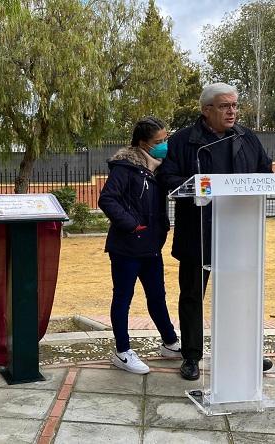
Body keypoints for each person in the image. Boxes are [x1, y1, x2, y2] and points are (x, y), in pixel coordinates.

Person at [159, 82, 274, 380]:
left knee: (239, 295)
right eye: (225, 106)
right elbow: (167, 177)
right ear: (206, 109)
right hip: (198, 232)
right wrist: (198, 184)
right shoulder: (184, 141)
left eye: (235, 105)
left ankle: (243, 351)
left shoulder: (247, 138)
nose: (232, 111)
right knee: (193, 296)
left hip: (238, 233)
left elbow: (265, 172)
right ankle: (192, 357)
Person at [98, 117, 181, 375]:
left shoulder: (157, 169)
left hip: (151, 246)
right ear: (143, 143)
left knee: (157, 296)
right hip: (127, 247)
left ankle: (169, 342)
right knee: (123, 297)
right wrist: (132, 225)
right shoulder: (126, 168)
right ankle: (122, 352)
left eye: (166, 139)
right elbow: (107, 199)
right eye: (159, 142)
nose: (164, 145)